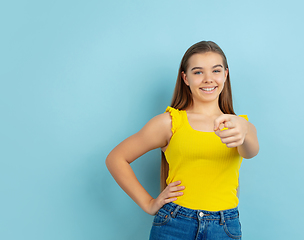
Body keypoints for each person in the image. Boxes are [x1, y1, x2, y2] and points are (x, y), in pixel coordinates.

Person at [106, 41, 259, 239]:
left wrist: (243, 130)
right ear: (185, 78)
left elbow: (251, 151)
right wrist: (149, 203)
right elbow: (116, 158)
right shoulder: (170, 122)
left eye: (216, 71)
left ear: (225, 75)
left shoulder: (239, 125)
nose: (208, 79)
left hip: (224, 227)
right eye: (198, 72)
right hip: (175, 223)